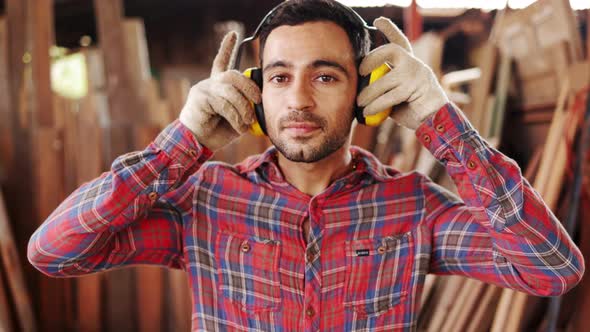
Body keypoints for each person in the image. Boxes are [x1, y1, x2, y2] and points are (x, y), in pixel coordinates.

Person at [28, 0, 584, 331]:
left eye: (324, 76)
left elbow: (551, 269)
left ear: (366, 91)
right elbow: (54, 251)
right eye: (278, 76)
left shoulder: (413, 207)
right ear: (256, 92)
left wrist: (444, 122)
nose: (297, 99)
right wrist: (182, 142)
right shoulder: (206, 201)